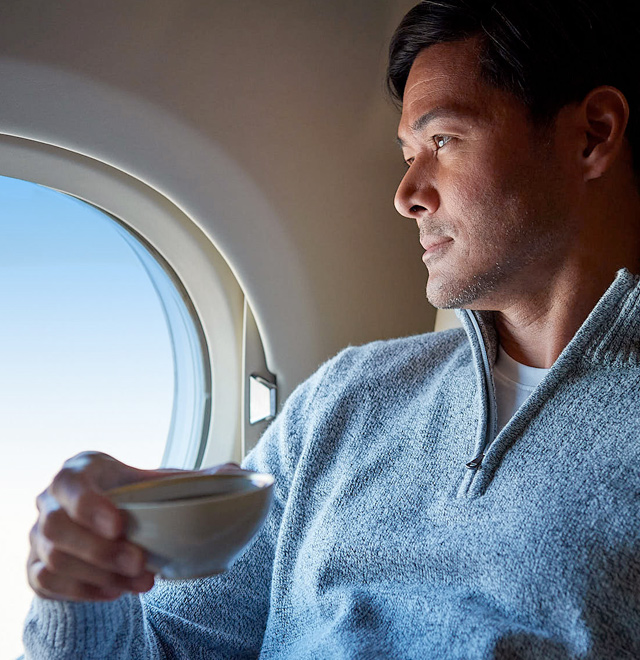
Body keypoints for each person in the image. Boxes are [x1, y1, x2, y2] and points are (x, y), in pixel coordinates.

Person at [22, 0, 640, 657]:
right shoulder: (346, 399)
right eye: (407, 153)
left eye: (443, 141)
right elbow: (167, 647)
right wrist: (84, 590)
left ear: (592, 135)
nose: (406, 194)